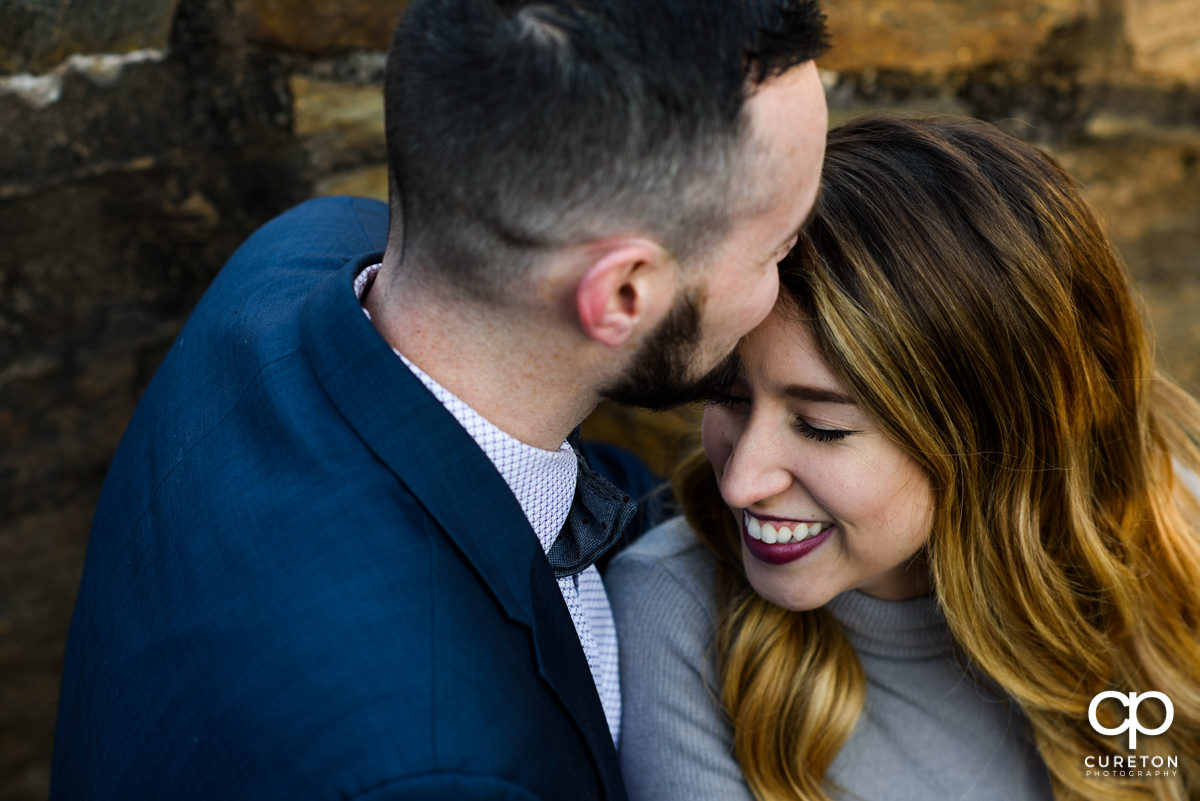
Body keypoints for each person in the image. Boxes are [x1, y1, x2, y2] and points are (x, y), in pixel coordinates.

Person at [50, 1, 830, 799]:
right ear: (624, 294)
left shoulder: (301, 254)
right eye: (777, 246)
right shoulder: (439, 764)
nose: (793, 266)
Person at [608, 115, 1200, 801]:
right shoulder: (673, 618)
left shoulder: (1173, 535)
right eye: (729, 396)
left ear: (994, 436)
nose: (740, 482)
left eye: (822, 426)